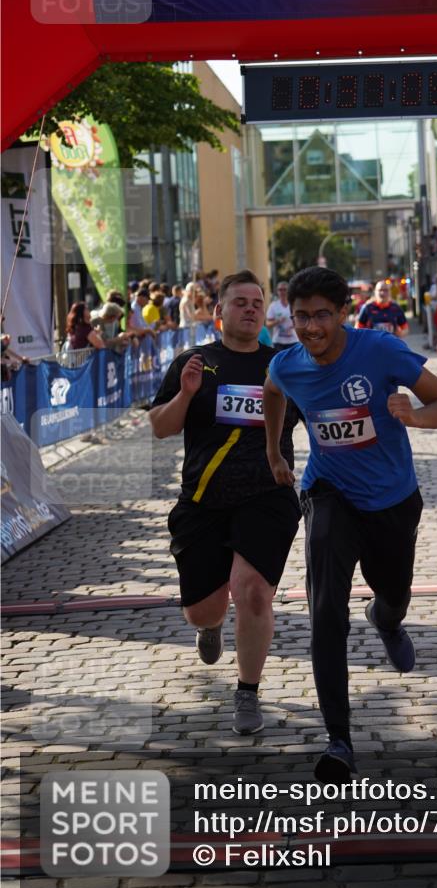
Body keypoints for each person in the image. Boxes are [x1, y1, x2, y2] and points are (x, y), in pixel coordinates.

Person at [263, 266, 437, 781]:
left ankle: (387, 619)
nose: (311, 327)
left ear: (342, 313)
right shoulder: (288, 364)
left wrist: (412, 414)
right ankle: (339, 741)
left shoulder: (380, 351)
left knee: (394, 591)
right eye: (301, 316)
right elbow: (273, 392)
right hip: (328, 492)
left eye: (322, 315)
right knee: (325, 608)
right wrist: (275, 453)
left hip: (393, 498)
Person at [149, 270, 301, 735]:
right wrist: (187, 394)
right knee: (205, 608)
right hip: (202, 501)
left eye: (257, 301)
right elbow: (160, 426)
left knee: (252, 590)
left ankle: (247, 692)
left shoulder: (284, 365)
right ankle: (209, 625)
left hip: (268, 495)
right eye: (240, 302)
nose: (252, 308)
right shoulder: (194, 361)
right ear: (218, 314)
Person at [266, 281, 298, 350]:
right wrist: (278, 321)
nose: (282, 292)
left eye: (284, 289)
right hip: (278, 342)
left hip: (294, 341)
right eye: (280, 290)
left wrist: (295, 324)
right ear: (277, 291)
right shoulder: (273, 306)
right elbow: (268, 324)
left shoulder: (294, 305)